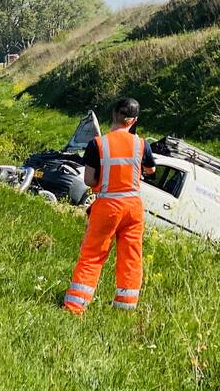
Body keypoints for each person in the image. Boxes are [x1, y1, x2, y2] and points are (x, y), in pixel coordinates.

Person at [63, 98, 156, 314]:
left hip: (107, 205)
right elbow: (151, 171)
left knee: (93, 254)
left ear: (113, 114)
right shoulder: (142, 145)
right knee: (131, 256)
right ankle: (125, 306)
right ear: (134, 120)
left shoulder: (98, 144)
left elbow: (89, 180)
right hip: (133, 206)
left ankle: (75, 305)